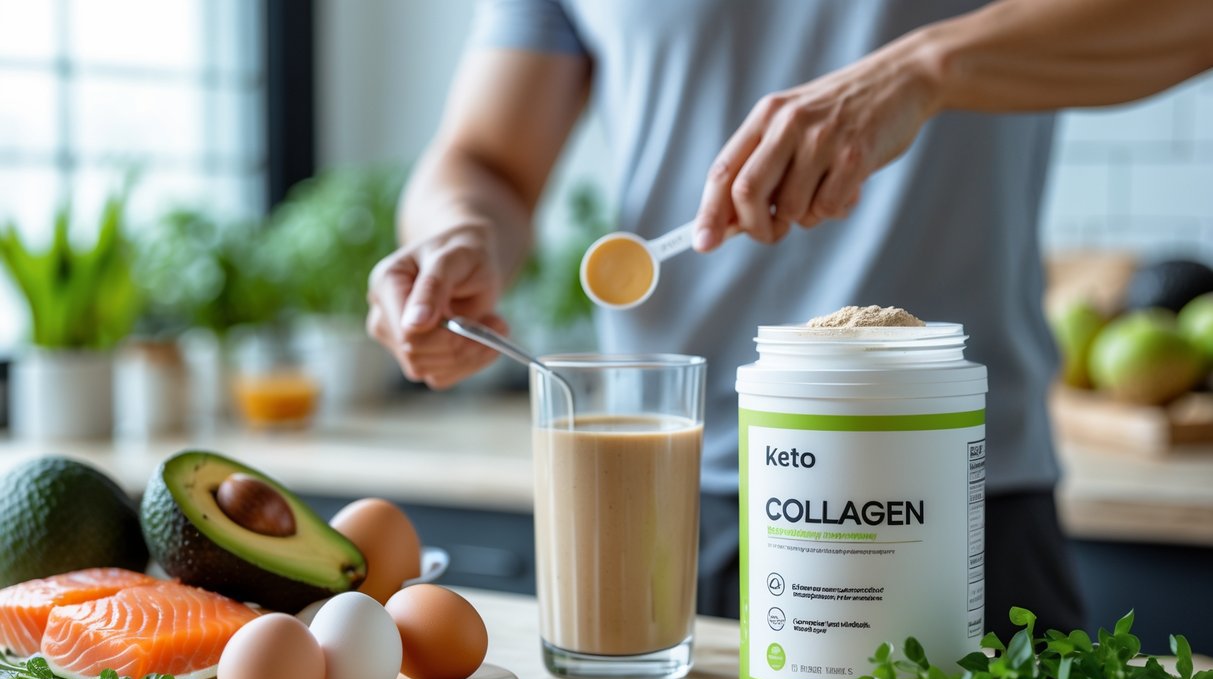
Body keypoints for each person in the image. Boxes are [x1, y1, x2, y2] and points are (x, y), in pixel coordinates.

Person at [366, 0, 1213, 635]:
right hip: (664, 497)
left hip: (951, 489)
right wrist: (458, 236)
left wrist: (922, 68)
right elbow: (484, 159)